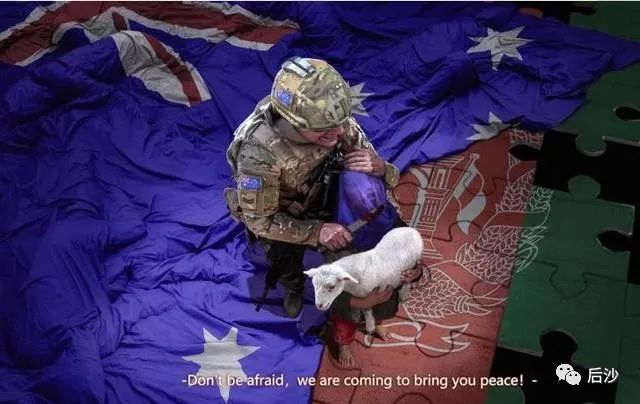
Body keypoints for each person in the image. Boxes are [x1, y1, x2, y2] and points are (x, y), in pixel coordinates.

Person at [224, 57, 422, 365]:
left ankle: (367, 266)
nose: (339, 132)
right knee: (286, 259)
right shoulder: (258, 152)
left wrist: (382, 168)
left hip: (326, 192)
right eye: (324, 130)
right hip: (285, 216)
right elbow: (260, 220)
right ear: (294, 123)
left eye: (341, 122)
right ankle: (292, 284)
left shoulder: (329, 116)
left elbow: (375, 170)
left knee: (365, 186)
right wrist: (316, 232)